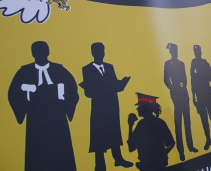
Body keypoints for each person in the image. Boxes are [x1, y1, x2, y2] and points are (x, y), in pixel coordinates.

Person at [8, 41, 79, 170]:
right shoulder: (25, 72)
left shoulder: (59, 70)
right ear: (33, 54)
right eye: (37, 52)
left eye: (42, 51)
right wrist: (25, 102)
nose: (40, 54)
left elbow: (72, 91)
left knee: (61, 153)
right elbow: (13, 93)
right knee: (37, 154)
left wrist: (66, 107)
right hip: (35, 120)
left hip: (58, 119)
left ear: (47, 52)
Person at [80, 42, 133, 171]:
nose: (101, 54)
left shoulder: (109, 67)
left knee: (114, 131)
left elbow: (116, 86)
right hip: (99, 108)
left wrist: (122, 83)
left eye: (102, 51)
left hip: (112, 105)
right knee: (99, 135)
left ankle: (118, 159)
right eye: (98, 51)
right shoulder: (87, 69)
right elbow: (88, 92)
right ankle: (99, 165)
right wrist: (104, 88)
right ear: (93, 53)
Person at [164, 43, 198, 161]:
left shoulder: (181, 63)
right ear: (171, 52)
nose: (175, 52)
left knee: (187, 122)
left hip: (184, 95)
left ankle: (190, 146)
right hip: (176, 96)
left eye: (176, 50)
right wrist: (173, 87)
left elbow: (185, 78)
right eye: (173, 50)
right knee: (178, 124)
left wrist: (183, 85)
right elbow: (166, 79)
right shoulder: (167, 64)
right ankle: (181, 151)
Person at [127, 93, 175, 171]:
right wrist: (130, 125)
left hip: (155, 165)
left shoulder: (149, 124)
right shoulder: (144, 124)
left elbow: (171, 143)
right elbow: (131, 148)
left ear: (146, 109)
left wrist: (161, 155)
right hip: (147, 165)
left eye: (139, 107)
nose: (137, 109)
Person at [190, 45, 211, 151]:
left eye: (197, 51)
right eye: (195, 51)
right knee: (204, 120)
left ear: (200, 52)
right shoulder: (193, 63)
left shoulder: (205, 64)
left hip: (208, 96)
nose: (196, 53)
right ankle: (208, 139)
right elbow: (192, 81)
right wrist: (193, 97)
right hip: (199, 97)